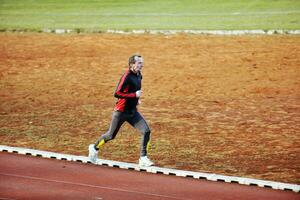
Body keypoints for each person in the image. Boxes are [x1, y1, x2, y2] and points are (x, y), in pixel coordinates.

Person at [88, 54, 154, 167]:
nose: (141, 65)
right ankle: (94, 148)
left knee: (146, 131)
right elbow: (117, 93)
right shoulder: (126, 76)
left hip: (132, 112)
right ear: (132, 64)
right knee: (110, 135)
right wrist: (134, 95)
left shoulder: (139, 75)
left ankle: (143, 158)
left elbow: (136, 88)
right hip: (121, 111)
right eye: (139, 63)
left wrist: (137, 99)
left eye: (142, 63)